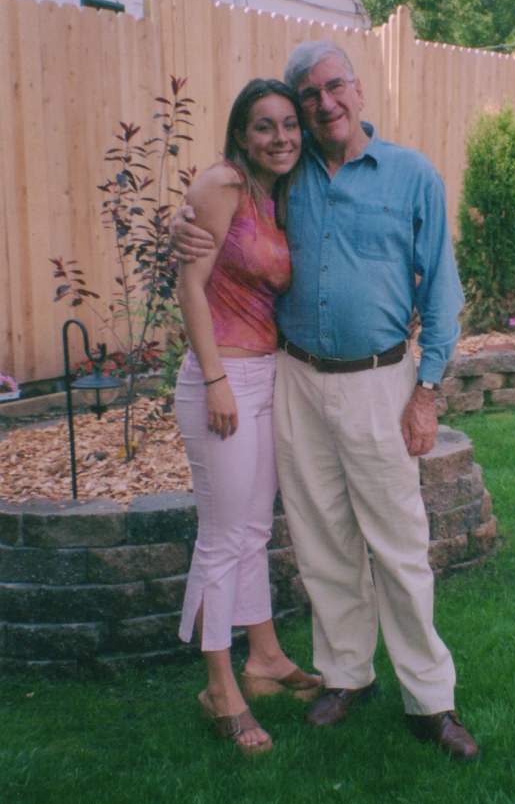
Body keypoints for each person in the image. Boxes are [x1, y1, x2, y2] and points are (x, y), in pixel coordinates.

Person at [173, 43, 480, 762]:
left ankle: (430, 700)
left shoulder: (411, 175)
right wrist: (178, 224)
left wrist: (427, 390)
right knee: (321, 538)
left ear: (358, 89)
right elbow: (220, 211)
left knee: (399, 545)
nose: (322, 104)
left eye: (332, 86)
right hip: (295, 378)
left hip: (380, 381)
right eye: (307, 95)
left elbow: (442, 292)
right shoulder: (288, 171)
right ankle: (345, 675)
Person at [174, 78, 321, 757]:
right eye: (265, 126)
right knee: (222, 536)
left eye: (290, 124)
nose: (281, 137)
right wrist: (215, 381)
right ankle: (219, 689)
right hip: (222, 378)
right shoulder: (223, 184)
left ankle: (264, 657)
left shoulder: (278, 193)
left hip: (267, 376)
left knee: (255, 529)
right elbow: (190, 288)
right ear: (241, 133)